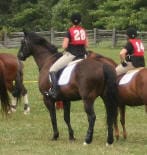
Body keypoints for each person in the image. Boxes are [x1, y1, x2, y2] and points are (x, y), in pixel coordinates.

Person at [47, 12, 89, 98]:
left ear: (72, 21)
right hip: (83, 55)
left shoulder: (70, 31)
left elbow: (64, 46)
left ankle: (54, 91)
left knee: (52, 69)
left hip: (72, 55)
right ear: (80, 21)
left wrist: (64, 49)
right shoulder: (83, 30)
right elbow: (87, 45)